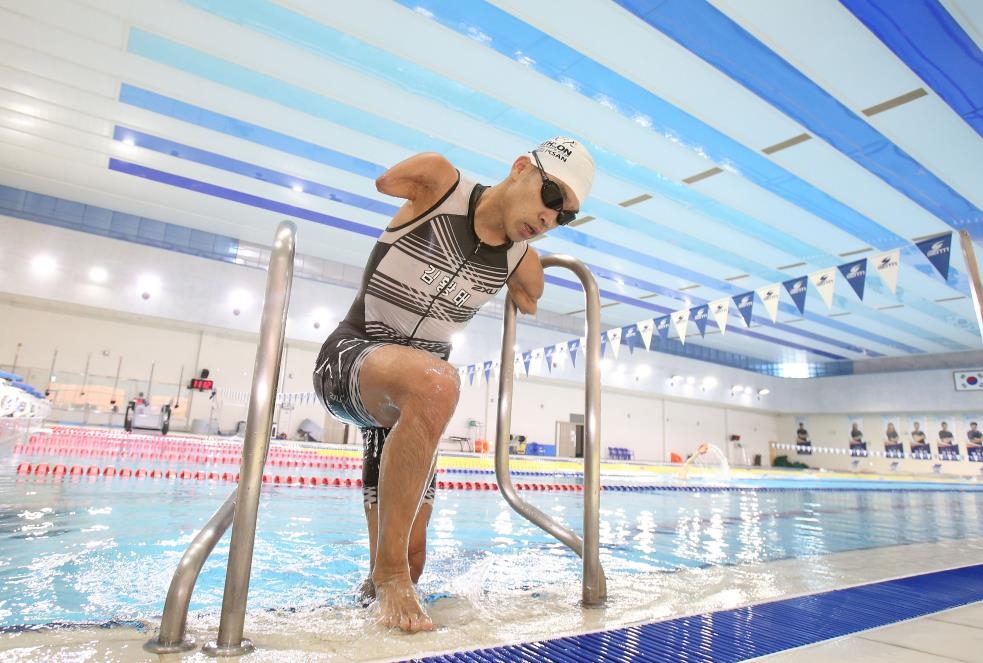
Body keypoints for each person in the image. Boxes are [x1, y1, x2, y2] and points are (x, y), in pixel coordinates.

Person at [312, 137, 595, 632]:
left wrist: (510, 251)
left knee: (413, 554)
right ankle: (390, 574)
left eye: (565, 216)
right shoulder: (440, 183)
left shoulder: (522, 262)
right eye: (551, 197)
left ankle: (373, 600)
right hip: (350, 358)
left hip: (415, 397)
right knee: (439, 381)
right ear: (522, 167)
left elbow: (529, 297)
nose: (550, 218)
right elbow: (388, 182)